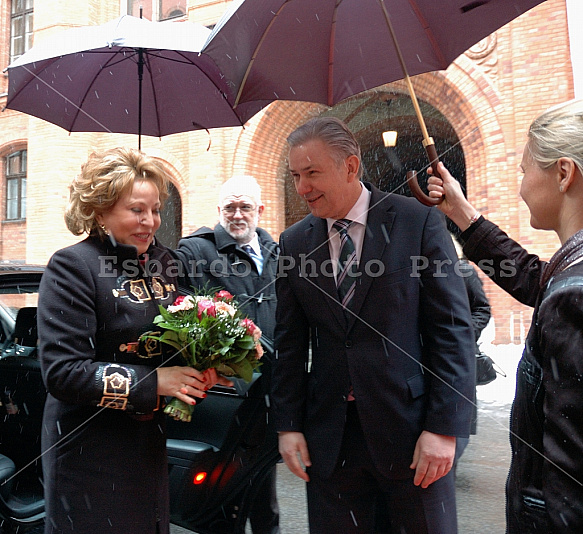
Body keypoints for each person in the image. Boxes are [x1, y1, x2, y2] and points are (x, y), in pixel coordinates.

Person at [272, 116, 476, 533]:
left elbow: (452, 330)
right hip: (330, 443)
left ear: (350, 166)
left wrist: (445, 429)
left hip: (413, 437)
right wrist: (288, 424)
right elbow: (289, 343)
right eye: (295, 175)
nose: (302, 188)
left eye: (312, 173)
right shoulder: (294, 242)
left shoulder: (417, 220)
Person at [38, 147, 231, 534]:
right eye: (136, 210)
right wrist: (156, 382)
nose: (150, 221)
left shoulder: (167, 263)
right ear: (100, 210)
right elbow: (63, 373)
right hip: (90, 449)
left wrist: (205, 366)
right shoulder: (73, 266)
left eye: (156, 209)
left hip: (147, 445)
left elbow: (186, 329)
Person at [427, 99, 583, 533]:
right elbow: (538, 279)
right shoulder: (570, 275)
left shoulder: (574, 299)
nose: (521, 186)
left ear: (564, 173)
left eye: (524, 169)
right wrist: (461, 211)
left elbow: (570, 483)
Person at [173, 175, 280, 534]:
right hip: (223, 394)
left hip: (269, 391)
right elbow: (179, 305)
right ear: (219, 210)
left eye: (245, 207)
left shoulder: (277, 252)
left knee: (264, 489)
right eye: (229, 208)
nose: (237, 215)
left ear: (260, 211)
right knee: (220, 490)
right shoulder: (196, 250)